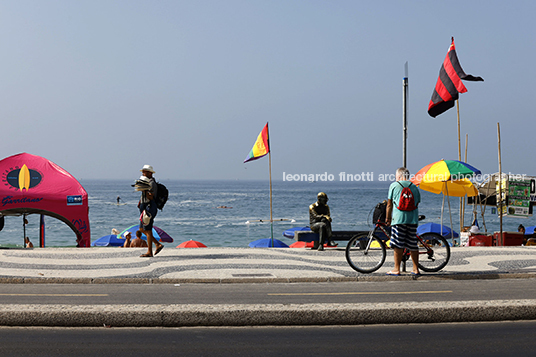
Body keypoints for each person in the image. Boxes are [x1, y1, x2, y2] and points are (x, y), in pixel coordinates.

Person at [385, 167, 421, 276]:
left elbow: (389, 204)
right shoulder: (414, 187)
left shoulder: (394, 185)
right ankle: (415, 269)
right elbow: (417, 203)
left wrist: (388, 218)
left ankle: (396, 269)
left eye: (396, 176)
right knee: (413, 245)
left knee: (398, 245)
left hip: (398, 219)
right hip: (412, 219)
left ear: (399, 176)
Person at [137, 164, 163, 257]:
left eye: (144, 172)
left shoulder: (151, 183)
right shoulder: (146, 182)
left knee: (147, 229)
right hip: (145, 206)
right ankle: (157, 244)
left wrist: (144, 190)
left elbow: (151, 197)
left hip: (150, 206)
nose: (143, 173)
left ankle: (149, 251)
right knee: (141, 229)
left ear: (149, 173)